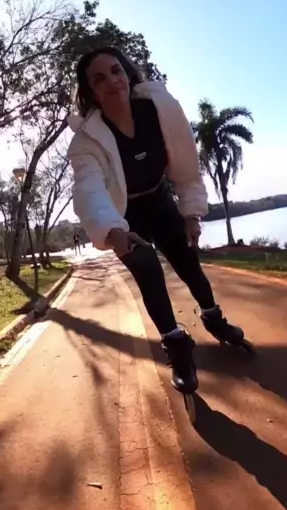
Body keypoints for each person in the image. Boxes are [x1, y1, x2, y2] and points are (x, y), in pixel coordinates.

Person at [67, 46, 248, 396]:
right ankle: (177, 346)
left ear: (127, 75)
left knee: (189, 263)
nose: (112, 82)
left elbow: (186, 165)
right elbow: (89, 190)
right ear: (91, 93)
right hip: (124, 215)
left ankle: (214, 319)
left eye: (116, 71)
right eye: (99, 79)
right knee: (147, 269)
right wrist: (112, 231)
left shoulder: (162, 109)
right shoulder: (85, 142)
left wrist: (191, 213)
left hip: (160, 200)